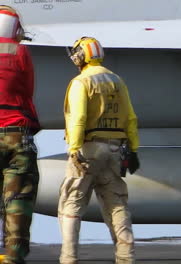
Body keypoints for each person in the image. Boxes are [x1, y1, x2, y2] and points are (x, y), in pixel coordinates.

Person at [58, 36, 140, 264]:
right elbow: (131, 118)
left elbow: (79, 117)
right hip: (115, 149)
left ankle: (69, 258)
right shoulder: (117, 80)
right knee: (117, 204)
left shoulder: (81, 82)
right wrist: (133, 149)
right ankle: (126, 257)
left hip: (88, 148)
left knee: (71, 202)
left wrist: (74, 149)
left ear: (82, 55)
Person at [0, 5, 40, 264]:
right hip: (16, 135)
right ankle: (14, 256)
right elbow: (28, 90)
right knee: (18, 201)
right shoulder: (20, 51)